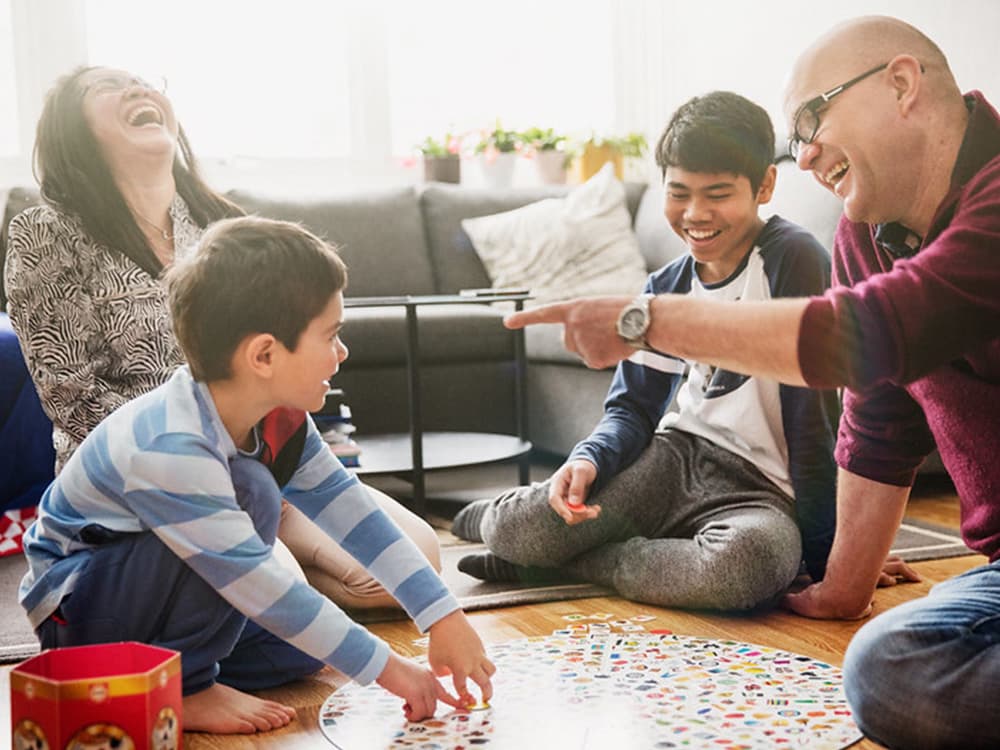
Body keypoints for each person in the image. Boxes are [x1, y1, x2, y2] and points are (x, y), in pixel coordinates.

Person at [504, 16, 998, 749]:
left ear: (900, 84)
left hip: (755, 497)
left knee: (861, 643)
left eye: (810, 119)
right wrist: (841, 587)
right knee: (887, 661)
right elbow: (879, 420)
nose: (805, 152)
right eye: (794, 139)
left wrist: (646, 320)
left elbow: (867, 335)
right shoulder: (868, 234)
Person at [19, 216, 496, 734]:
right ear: (264, 355)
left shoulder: (281, 419)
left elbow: (350, 510)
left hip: (150, 602)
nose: (343, 352)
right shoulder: (171, 447)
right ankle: (189, 685)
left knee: (298, 653)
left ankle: (185, 668)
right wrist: (388, 669)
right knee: (254, 493)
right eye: (331, 335)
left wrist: (443, 616)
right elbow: (256, 582)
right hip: (80, 618)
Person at [3, 65, 441, 611]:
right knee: (280, 600)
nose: (139, 89)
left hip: (263, 466)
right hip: (146, 478)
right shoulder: (43, 232)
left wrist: (261, 464)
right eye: (106, 87)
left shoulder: (224, 224)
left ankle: (272, 585)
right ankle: (263, 592)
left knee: (420, 561)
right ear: (72, 131)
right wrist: (208, 453)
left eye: (144, 81)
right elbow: (73, 399)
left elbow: (278, 358)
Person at [453, 92, 840, 613]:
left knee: (745, 569)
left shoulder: (793, 259)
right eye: (679, 193)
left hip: (763, 492)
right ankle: (497, 526)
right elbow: (632, 409)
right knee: (529, 526)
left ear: (764, 185)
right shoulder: (665, 285)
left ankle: (577, 563)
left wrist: (827, 559)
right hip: (672, 461)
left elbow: (815, 421)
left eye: (717, 194)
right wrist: (588, 459)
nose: (695, 214)